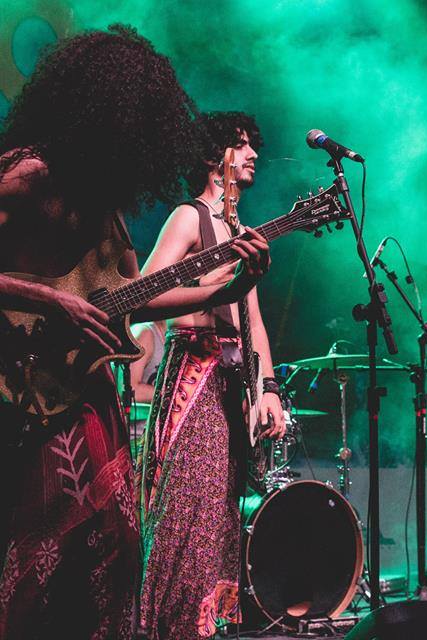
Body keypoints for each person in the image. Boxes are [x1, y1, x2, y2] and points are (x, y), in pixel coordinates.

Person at [0, 26, 268, 640]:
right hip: (26, 392)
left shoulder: (104, 206)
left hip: (89, 394)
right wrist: (49, 301)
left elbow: (137, 297)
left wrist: (226, 290)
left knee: (116, 555)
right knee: (44, 557)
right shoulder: (28, 175)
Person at [137, 111, 285, 639]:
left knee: (220, 520)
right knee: (187, 517)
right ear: (210, 156)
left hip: (234, 383)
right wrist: (213, 289)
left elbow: (254, 323)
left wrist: (268, 389)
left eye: (252, 145)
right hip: (194, 374)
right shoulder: (188, 216)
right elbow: (144, 295)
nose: (252, 154)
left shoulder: (241, 231)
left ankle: (205, 629)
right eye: (239, 145)